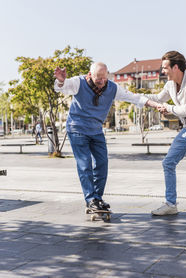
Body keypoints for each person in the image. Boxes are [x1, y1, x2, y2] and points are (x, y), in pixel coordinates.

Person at [54, 62, 160, 212]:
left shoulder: (112, 87)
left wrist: (155, 105)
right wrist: (60, 80)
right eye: (98, 78)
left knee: (102, 163)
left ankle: (97, 198)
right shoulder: (79, 82)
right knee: (84, 164)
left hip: (96, 130)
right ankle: (90, 198)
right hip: (77, 128)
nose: (102, 82)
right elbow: (63, 88)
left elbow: (134, 97)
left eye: (105, 78)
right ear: (90, 75)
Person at [146, 51, 186, 215]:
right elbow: (158, 98)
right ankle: (171, 204)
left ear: (175, 67)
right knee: (168, 163)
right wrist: (134, 97)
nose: (162, 71)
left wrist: (168, 108)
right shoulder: (170, 84)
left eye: (165, 67)